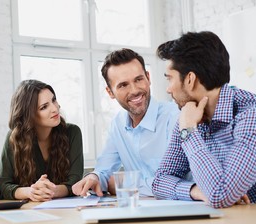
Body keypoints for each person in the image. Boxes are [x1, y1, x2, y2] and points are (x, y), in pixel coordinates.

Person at [153, 31, 256, 208]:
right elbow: (160, 181)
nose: (168, 89)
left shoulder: (255, 115)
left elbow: (220, 195)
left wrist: (189, 131)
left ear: (190, 79)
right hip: (232, 221)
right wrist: (195, 191)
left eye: (170, 79)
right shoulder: (188, 114)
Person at [72, 48, 179, 197]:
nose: (134, 90)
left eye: (139, 79)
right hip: (138, 212)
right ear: (110, 92)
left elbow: (176, 183)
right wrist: (93, 178)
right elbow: (103, 170)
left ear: (148, 78)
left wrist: (124, 185)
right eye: (123, 85)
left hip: (179, 211)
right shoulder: (117, 124)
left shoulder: (174, 117)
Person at [0, 79, 83, 201]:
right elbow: (2, 185)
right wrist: (31, 192)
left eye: (53, 100)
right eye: (44, 107)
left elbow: (76, 180)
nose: (55, 108)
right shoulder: (14, 138)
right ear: (29, 115)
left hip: (65, 213)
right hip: (26, 213)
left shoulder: (72, 132)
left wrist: (52, 191)